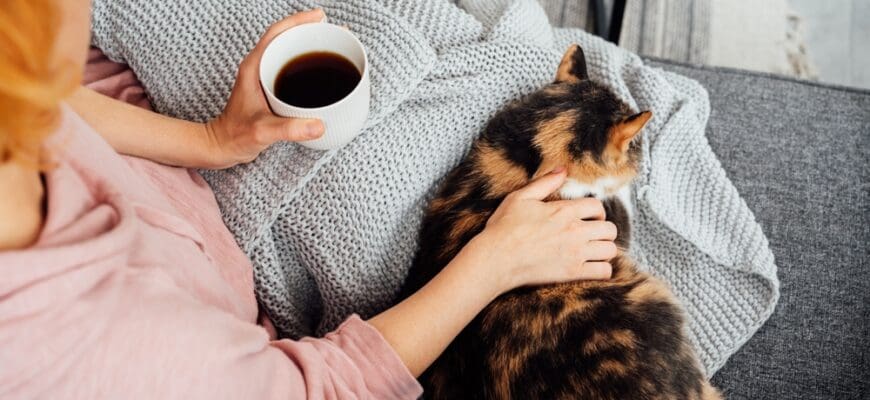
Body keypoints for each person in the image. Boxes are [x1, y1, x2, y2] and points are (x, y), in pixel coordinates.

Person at [0, 0, 618, 398]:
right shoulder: (102, 347)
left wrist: (210, 141)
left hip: (176, 146)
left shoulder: (24, 98)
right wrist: (494, 262)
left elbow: (45, 103)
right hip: (287, 296)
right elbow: (324, 387)